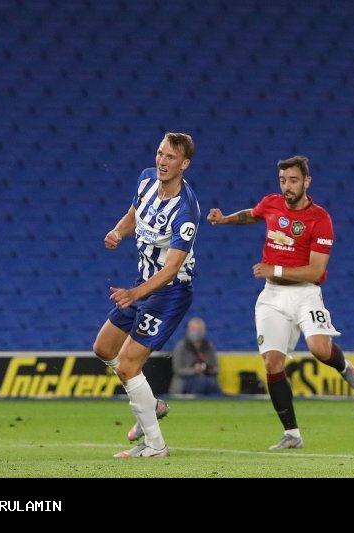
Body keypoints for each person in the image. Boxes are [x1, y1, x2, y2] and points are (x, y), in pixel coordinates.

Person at [207, 155, 354, 450]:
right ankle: (292, 434)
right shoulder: (272, 203)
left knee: (320, 349)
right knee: (272, 363)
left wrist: (275, 269)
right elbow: (253, 214)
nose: (287, 186)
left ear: (306, 182)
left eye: (293, 180)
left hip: (305, 292)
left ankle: (344, 367)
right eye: (283, 180)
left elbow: (317, 270)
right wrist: (225, 219)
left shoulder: (320, 218)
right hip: (272, 296)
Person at [93, 132, 200, 458]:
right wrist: (117, 231)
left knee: (126, 366)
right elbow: (134, 212)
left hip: (170, 293)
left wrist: (133, 293)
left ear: (184, 164)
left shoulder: (186, 211)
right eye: (159, 154)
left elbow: (170, 270)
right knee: (103, 348)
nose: (162, 162)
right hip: (140, 286)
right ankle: (150, 405)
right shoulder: (145, 181)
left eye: (170, 158)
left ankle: (155, 445)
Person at [170, 317, 222, 395]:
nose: (197, 332)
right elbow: (178, 370)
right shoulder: (181, 346)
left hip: (206, 378)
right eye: (194, 329)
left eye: (200, 329)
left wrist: (209, 370)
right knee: (200, 380)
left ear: (204, 331)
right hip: (185, 381)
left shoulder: (209, 346)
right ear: (188, 330)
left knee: (212, 382)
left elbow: (216, 368)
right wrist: (194, 370)